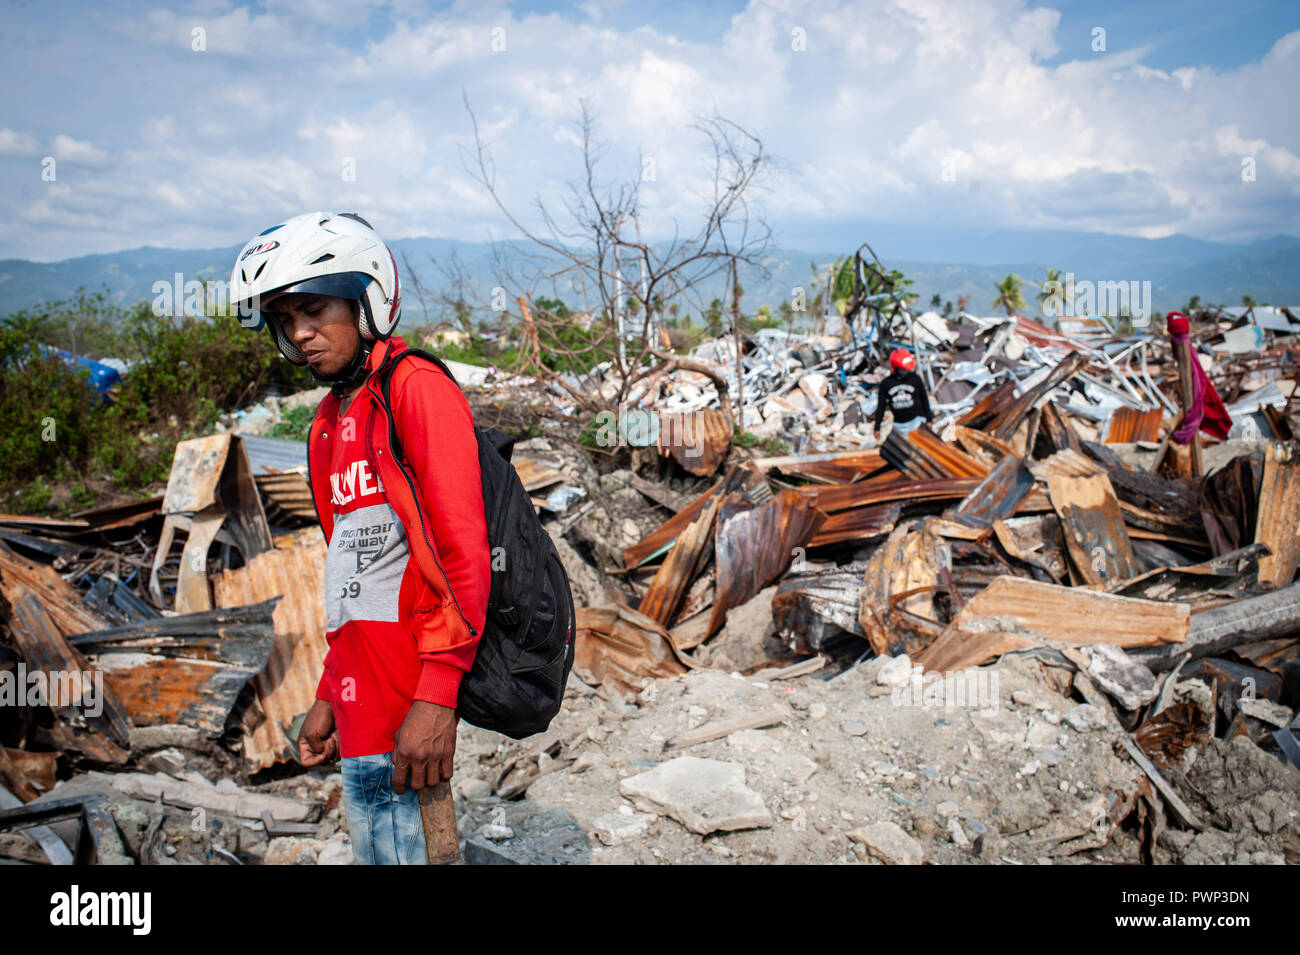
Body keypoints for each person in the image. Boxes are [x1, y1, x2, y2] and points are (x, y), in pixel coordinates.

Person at [230, 212, 491, 864]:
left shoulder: (415, 391)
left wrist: (436, 697)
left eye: (313, 310)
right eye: (284, 320)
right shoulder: (326, 424)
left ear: (364, 296)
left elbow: (464, 555)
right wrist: (327, 691)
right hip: (362, 718)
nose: (300, 333)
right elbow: (357, 575)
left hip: (411, 718)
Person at [873, 347, 932, 442]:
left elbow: (924, 399)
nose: (906, 372)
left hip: (917, 422)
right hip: (899, 425)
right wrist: (877, 427)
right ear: (895, 368)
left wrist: (929, 419)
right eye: (903, 370)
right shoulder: (886, 383)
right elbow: (881, 406)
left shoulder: (915, 379)